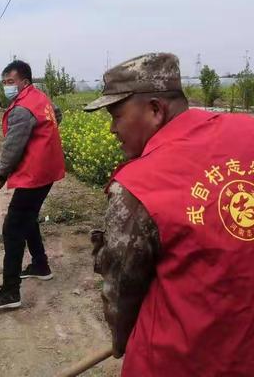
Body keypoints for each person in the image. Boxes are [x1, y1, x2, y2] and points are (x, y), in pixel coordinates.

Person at [85, 53, 254, 376]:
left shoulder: (140, 186)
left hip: (180, 360)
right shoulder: (247, 130)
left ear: (155, 110)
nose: (111, 129)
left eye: (116, 115)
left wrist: (120, 339)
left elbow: (121, 291)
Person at [0, 60, 65, 309]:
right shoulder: (40, 97)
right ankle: (40, 265)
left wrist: (0, 174)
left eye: (11, 82)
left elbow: (12, 146)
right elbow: (56, 115)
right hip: (47, 169)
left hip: (35, 173)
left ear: (24, 81)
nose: (7, 86)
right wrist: (43, 140)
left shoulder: (22, 108)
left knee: (13, 228)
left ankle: (10, 291)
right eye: (4, 82)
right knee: (28, 218)